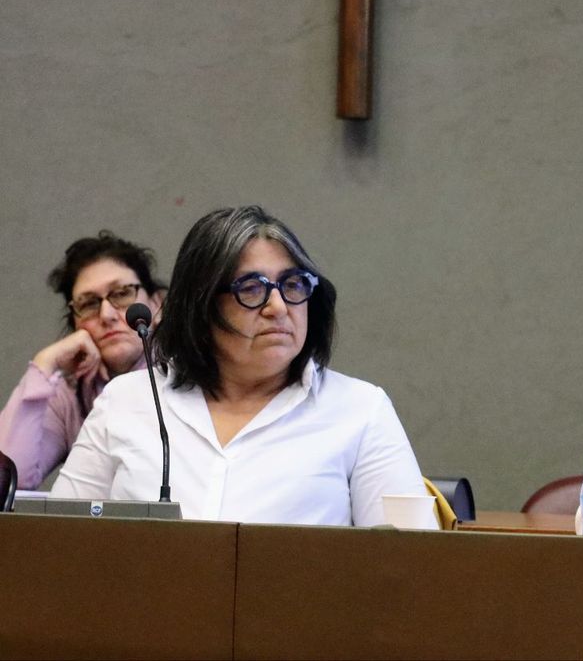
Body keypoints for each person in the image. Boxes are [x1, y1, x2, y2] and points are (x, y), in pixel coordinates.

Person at [51, 205, 427, 526]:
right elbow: (54, 542)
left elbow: (411, 567)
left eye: (293, 284)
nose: (278, 307)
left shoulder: (361, 411)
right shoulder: (125, 403)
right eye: (251, 288)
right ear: (200, 305)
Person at [0, 232, 164, 489]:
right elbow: (7, 484)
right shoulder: (70, 392)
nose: (107, 315)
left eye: (122, 293)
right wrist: (44, 364)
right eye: (88, 304)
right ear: (75, 323)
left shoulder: (189, 373)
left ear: (156, 305)